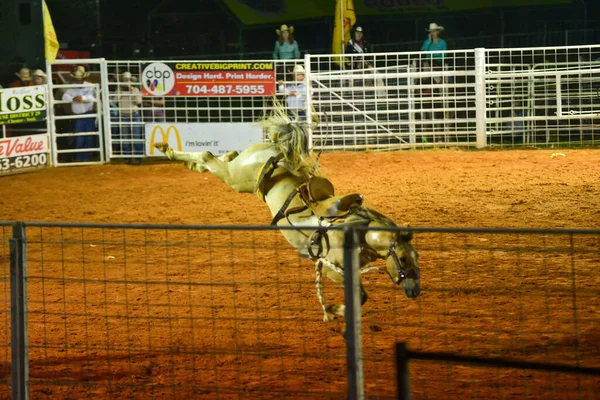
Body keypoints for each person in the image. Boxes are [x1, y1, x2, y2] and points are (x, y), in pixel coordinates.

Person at [62, 66, 97, 162]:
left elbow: (93, 97)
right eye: (76, 78)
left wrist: (83, 98)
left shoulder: (90, 85)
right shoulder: (71, 87)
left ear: (83, 77)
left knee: (88, 136)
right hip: (79, 115)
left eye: (79, 78)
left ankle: (86, 157)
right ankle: (80, 157)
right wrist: (74, 99)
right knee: (80, 137)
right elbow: (65, 97)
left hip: (88, 114)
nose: (78, 80)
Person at [114, 71, 143, 164]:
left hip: (134, 114)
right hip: (124, 115)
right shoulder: (119, 90)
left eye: (128, 80)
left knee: (136, 137)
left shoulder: (135, 89)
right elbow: (114, 101)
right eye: (125, 80)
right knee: (125, 137)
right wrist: (120, 93)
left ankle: (138, 157)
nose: (127, 81)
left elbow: (139, 102)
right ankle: (127, 157)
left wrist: (132, 93)